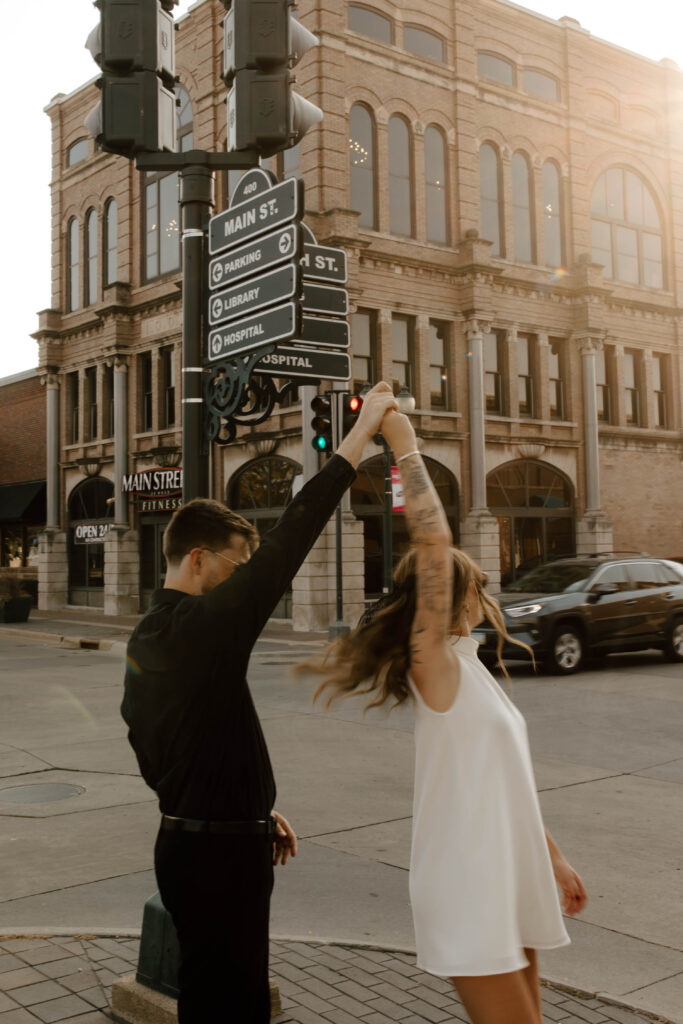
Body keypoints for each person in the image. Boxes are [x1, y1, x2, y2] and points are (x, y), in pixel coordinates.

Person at [120, 381, 398, 1023]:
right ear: (198, 559)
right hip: (217, 859)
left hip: (200, 842)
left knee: (217, 995)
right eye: (236, 566)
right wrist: (359, 438)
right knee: (232, 1006)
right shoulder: (198, 631)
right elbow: (289, 542)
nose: (247, 579)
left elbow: (164, 746)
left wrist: (246, 809)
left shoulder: (154, 636)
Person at [301, 408, 587, 1024]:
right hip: (468, 881)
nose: (491, 597)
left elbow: (504, 784)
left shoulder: (470, 666)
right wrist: (405, 446)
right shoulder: (435, 665)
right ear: (454, 598)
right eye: (479, 586)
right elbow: (432, 541)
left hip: (507, 870)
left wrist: (553, 857)